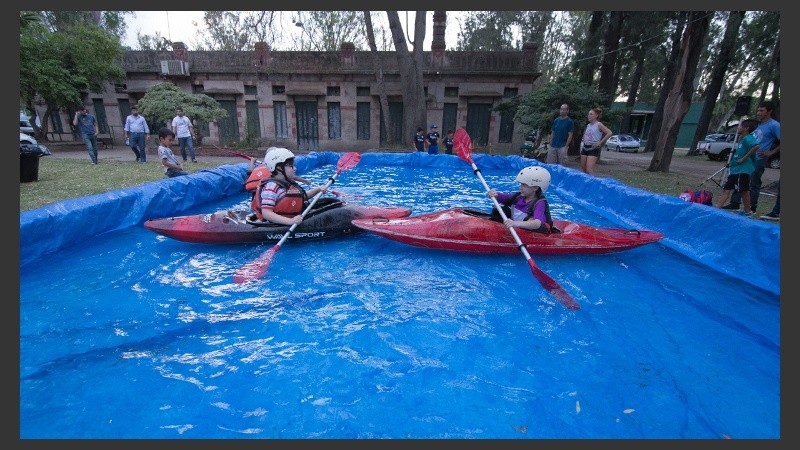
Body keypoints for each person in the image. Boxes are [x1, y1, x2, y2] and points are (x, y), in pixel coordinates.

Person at [722, 100, 780, 214]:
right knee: (739, 179)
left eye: (762, 110)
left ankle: (752, 207)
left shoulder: (774, 125)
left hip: (757, 158)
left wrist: (771, 152)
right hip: (745, 157)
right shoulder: (757, 124)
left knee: (753, 182)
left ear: (769, 111)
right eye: (758, 110)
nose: (759, 113)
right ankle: (735, 202)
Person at [250, 147, 328, 225]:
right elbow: (266, 213)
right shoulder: (271, 187)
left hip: (292, 218)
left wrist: (317, 190)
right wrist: (290, 221)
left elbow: (302, 197)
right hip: (275, 224)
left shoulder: (288, 183)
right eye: (291, 166)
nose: (295, 168)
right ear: (279, 168)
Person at [486, 166, 556, 234]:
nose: (521, 187)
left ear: (535, 188)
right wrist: (495, 195)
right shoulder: (518, 196)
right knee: (497, 210)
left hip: (536, 231)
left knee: (531, 220)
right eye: (521, 184)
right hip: (518, 224)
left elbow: (537, 223)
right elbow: (505, 198)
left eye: (524, 185)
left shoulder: (540, 203)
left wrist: (515, 223)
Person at [715, 119, 759, 217]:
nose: (738, 128)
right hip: (735, 170)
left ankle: (748, 211)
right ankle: (718, 207)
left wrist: (744, 158)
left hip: (743, 170)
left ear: (746, 128)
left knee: (743, 190)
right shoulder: (743, 139)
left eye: (740, 126)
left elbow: (756, 146)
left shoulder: (749, 138)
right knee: (727, 189)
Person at [245, 148, 311, 194]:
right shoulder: (274, 169)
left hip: (253, 188)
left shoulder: (262, 166)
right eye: (291, 165)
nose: (294, 168)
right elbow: (293, 177)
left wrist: (252, 161)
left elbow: (250, 171)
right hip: (262, 189)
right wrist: (304, 181)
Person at [580, 107, 613, 175]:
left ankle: (592, 183)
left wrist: (600, 142)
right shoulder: (588, 125)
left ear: (596, 116)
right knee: (583, 168)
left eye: (591, 114)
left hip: (593, 148)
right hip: (585, 147)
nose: (589, 115)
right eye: (589, 114)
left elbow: (609, 133)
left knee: (589, 169)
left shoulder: (599, 124)